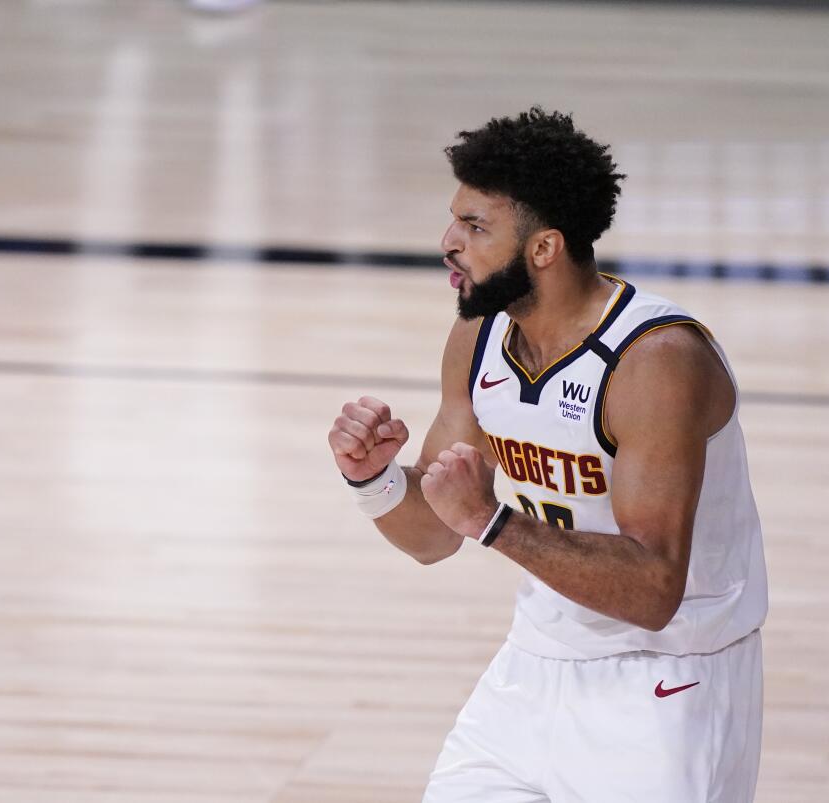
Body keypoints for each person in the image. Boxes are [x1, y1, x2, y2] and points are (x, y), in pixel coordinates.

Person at [327, 107, 768, 803]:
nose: (449, 242)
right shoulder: (478, 339)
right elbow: (436, 534)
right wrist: (374, 480)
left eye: (475, 227)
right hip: (531, 671)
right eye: (455, 219)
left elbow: (654, 591)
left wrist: (493, 522)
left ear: (544, 248)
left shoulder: (656, 361)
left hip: (669, 681)